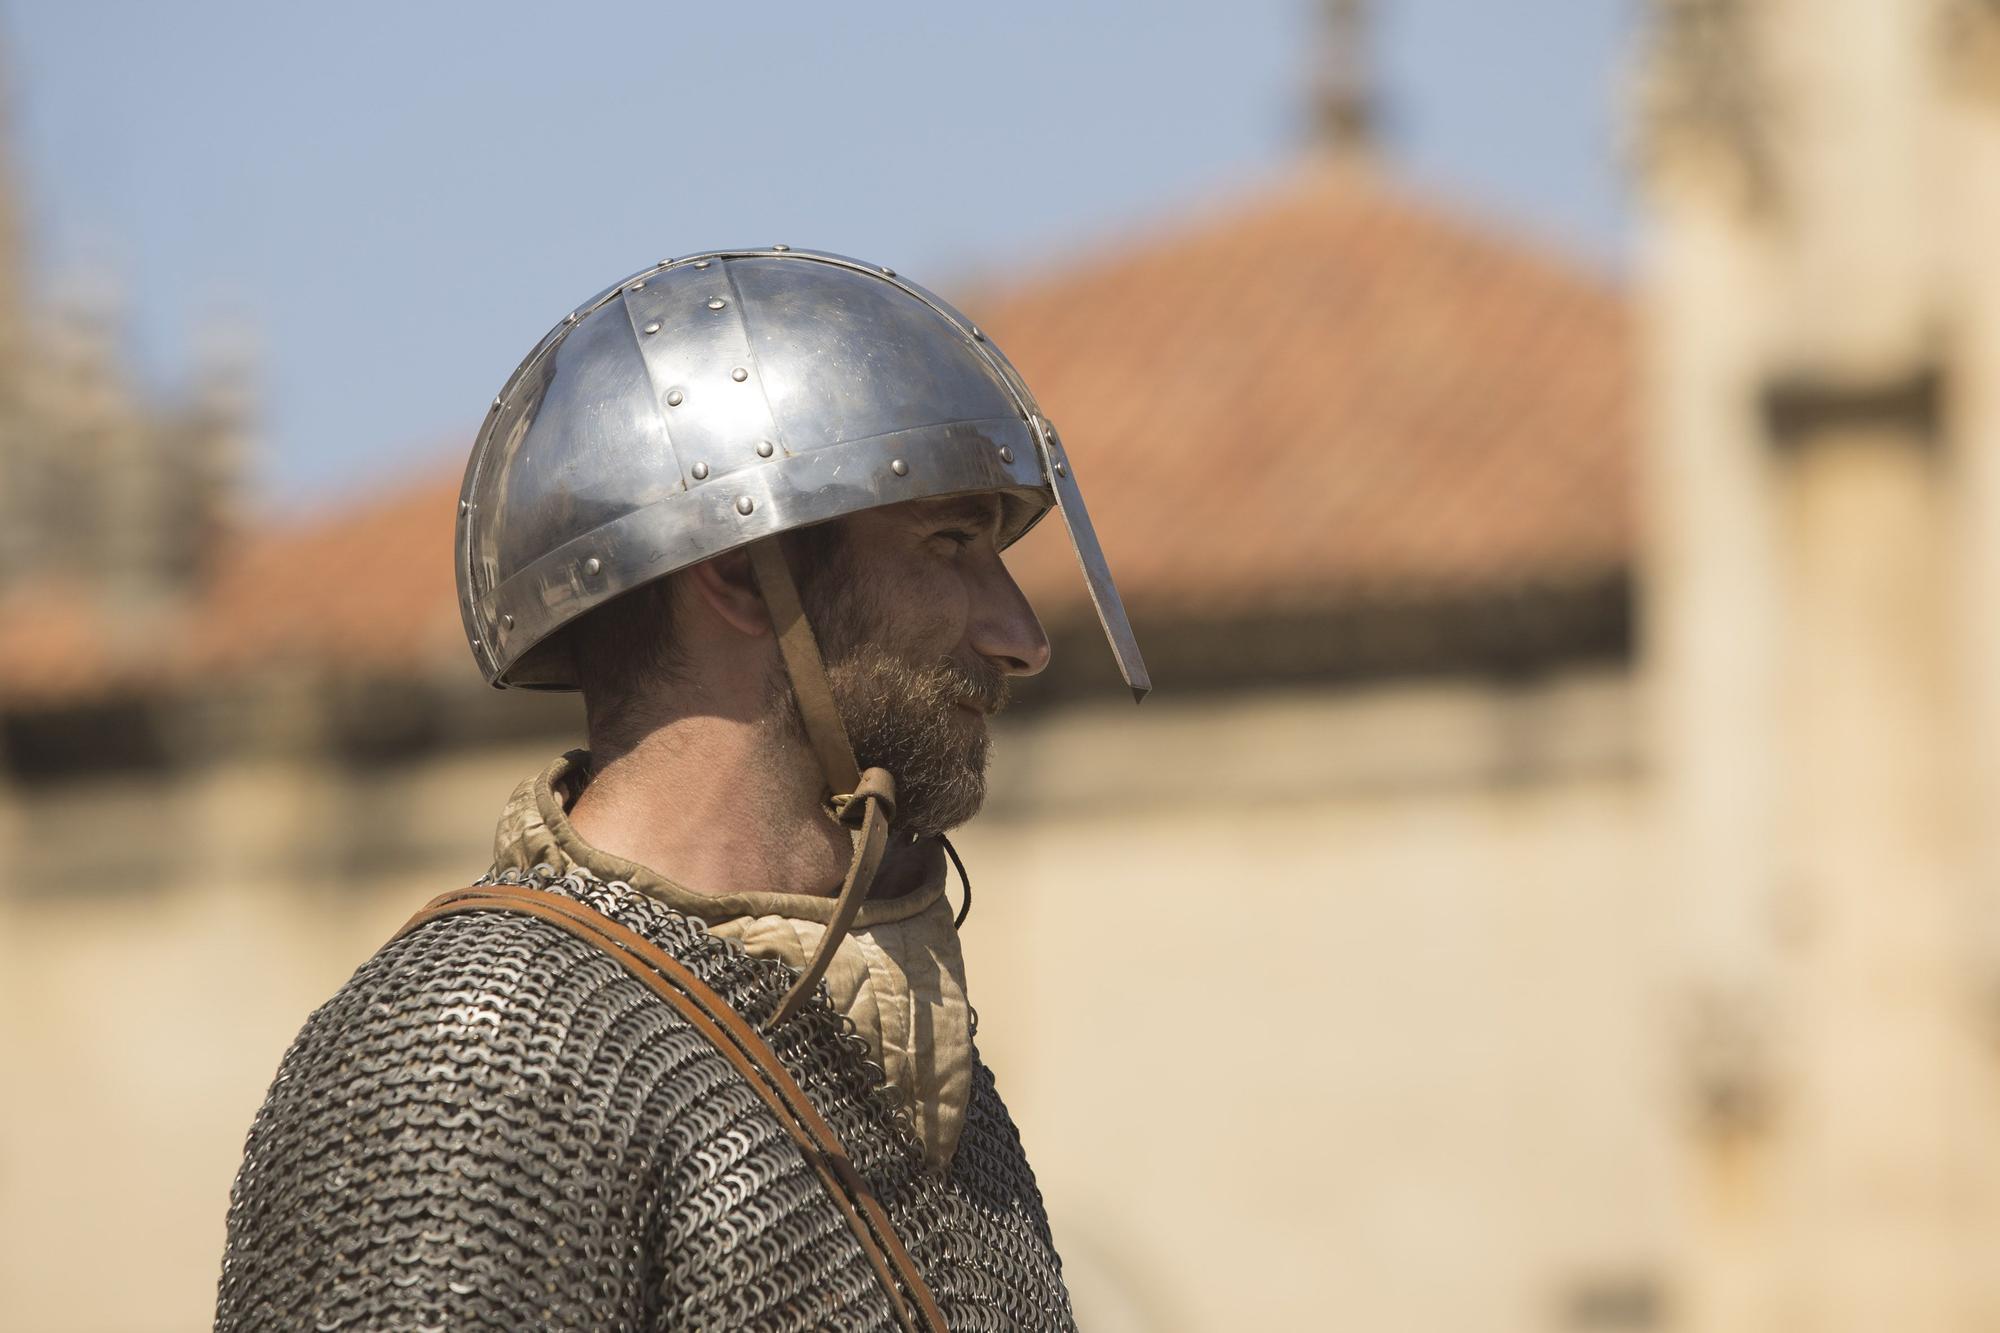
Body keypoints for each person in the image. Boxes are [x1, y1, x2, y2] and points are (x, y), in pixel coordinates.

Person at [213, 248, 1148, 1332]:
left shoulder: (927, 1090)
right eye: (948, 544)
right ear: (742, 573)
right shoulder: (480, 1053)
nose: (1021, 637)